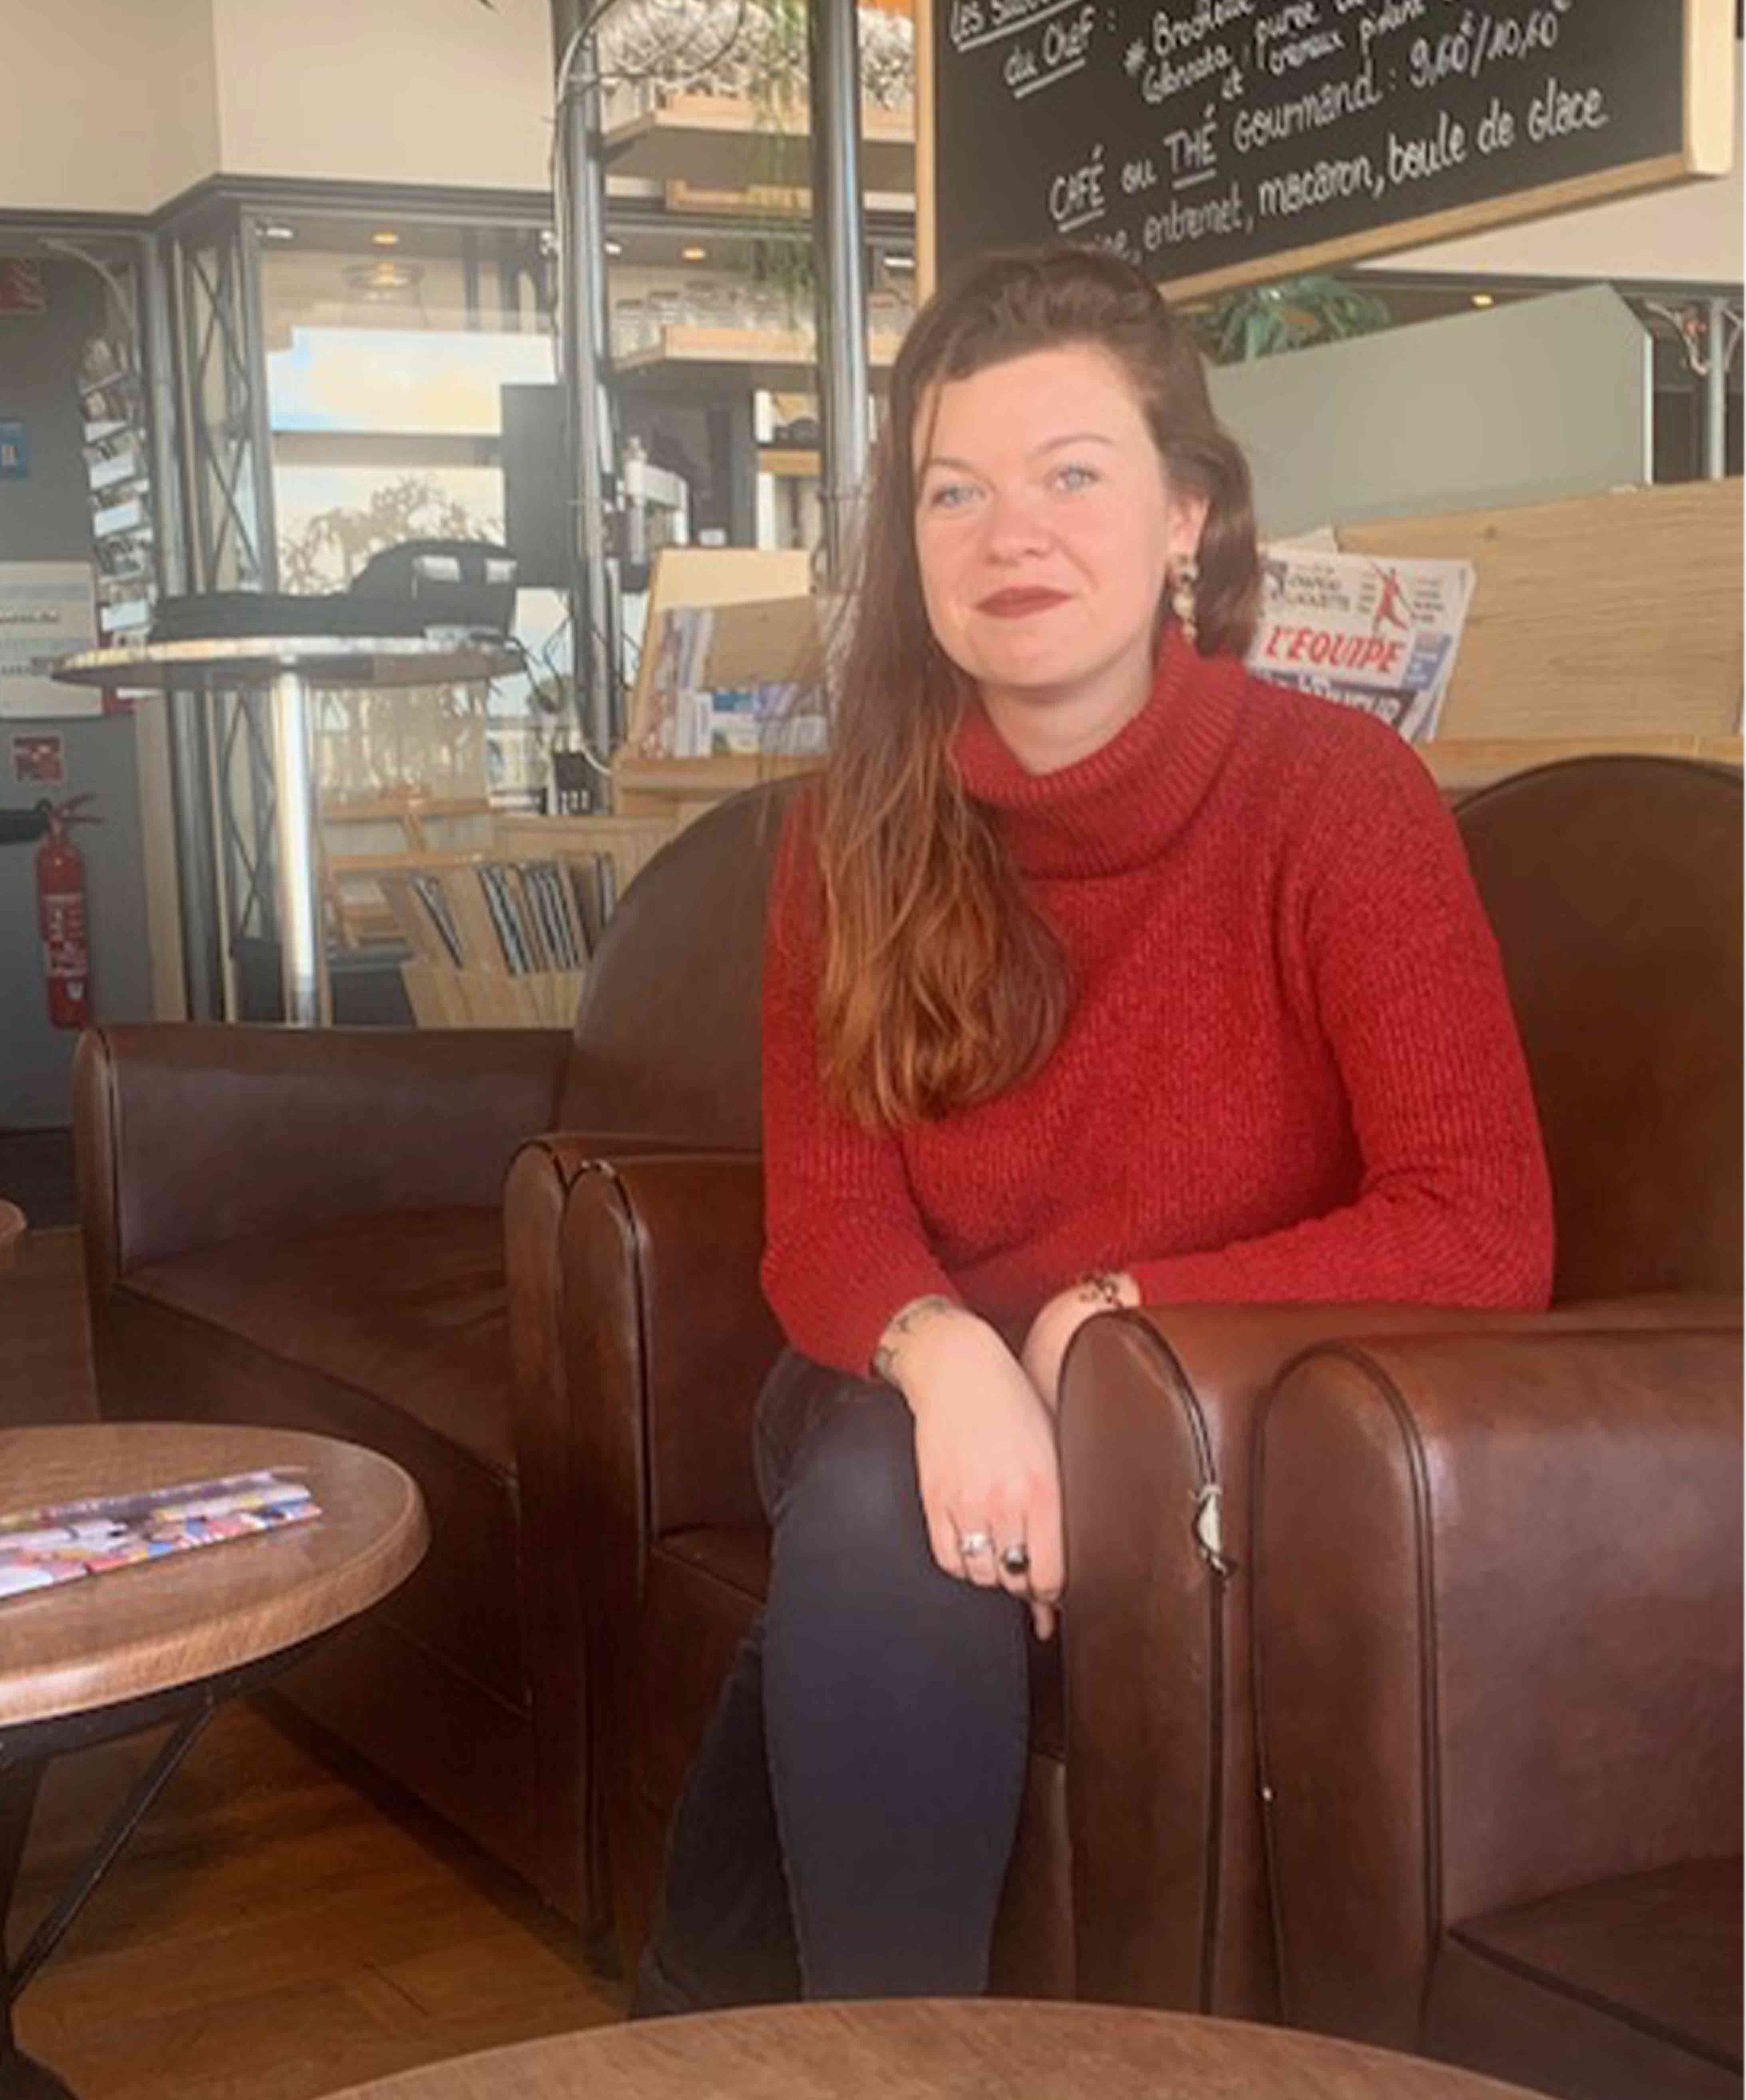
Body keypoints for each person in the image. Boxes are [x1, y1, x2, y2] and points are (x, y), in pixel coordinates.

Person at [632, 245, 1553, 2014]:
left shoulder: (1338, 799)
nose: (1011, 536)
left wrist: (1103, 1324)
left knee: (860, 1557)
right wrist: (952, 1363)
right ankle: (901, 2062)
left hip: (1209, 1414)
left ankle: (698, 2020)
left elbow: (1480, 1223)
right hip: (895, 1387)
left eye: (1071, 475)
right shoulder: (850, 832)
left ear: (1185, 515)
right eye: (954, 492)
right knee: (884, 1499)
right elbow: (828, 1220)